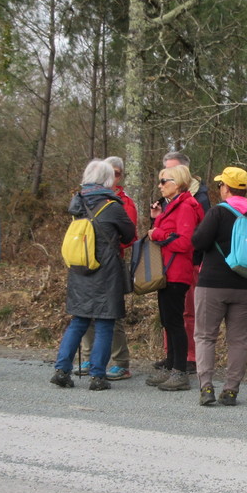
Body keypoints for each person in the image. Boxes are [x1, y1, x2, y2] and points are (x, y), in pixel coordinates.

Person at [49, 160, 136, 390]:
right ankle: (98, 376)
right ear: (107, 180)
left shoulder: (77, 203)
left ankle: (61, 370)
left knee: (78, 321)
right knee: (105, 323)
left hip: (80, 269)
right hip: (106, 272)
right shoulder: (112, 206)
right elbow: (130, 234)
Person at [191, 166, 247, 406]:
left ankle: (206, 387)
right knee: (238, 340)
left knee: (206, 336)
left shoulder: (217, 212)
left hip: (213, 284)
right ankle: (231, 390)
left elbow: (198, 241)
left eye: (220, 185)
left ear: (226, 188)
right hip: (246, 285)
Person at [76, 156, 138, 381]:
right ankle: (88, 357)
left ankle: (120, 361)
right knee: (86, 311)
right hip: (87, 261)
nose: (112, 178)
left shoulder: (124, 202)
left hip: (111, 264)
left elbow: (130, 235)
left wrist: (107, 243)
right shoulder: (85, 198)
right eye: (109, 173)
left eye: (117, 174)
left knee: (113, 315)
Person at [145, 159, 204, 391]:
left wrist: (158, 233)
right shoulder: (172, 206)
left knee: (175, 322)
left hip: (177, 272)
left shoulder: (186, 207)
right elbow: (164, 232)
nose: (160, 185)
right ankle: (171, 366)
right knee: (168, 321)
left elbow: (185, 243)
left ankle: (180, 371)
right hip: (166, 271)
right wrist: (156, 218)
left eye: (163, 181)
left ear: (177, 183)